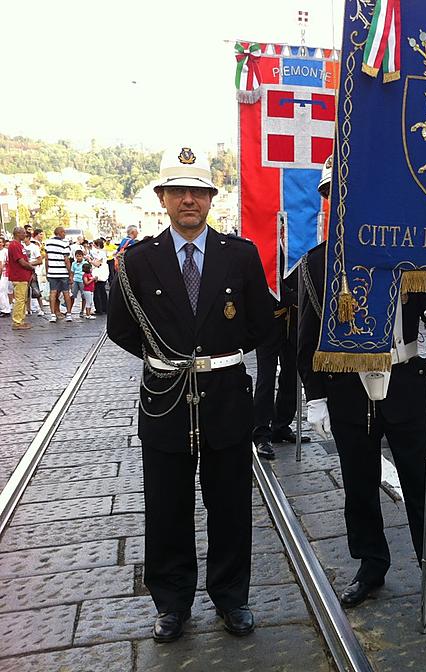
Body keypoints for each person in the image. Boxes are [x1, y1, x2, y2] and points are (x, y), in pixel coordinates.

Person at [297, 160, 426, 620]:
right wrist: (315, 396)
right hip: (347, 388)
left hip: (405, 380)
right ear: (329, 202)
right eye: (336, 194)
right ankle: (371, 564)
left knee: (425, 486)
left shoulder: (409, 254)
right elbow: (305, 338)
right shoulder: (317, 263)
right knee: (359, 485)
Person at [107, 146, 271, 642]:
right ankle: (172, 603)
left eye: (197, 191)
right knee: (167, 507)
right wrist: (169, 362)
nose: (188, 200)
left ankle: (231, 597)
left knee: (230, 505)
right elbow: (121, 328)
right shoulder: (137, 261)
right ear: (162, 198)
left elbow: (260, 324)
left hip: (224, 398)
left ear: (211, 199)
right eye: (178, 191)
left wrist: (216, 355)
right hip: (166, 401)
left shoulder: (239, 256)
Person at [252, 224, 300, 461]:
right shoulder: (261, 249)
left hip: (292, 320)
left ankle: (282, 425)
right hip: (269, 321)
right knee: (266, 377)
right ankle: (261, 433)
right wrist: (296, 296)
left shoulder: (297, 247)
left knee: (291, 373)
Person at [7, 226, 40, 330]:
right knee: (20, 300)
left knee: (23, 299)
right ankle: (17, 322)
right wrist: (31, 267)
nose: (25, 235)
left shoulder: (19, 245)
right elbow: (21, 262)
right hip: (19, 276)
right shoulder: (14, 245)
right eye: (23, 233)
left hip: (23, 276)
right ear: (18, 234)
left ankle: (21, 320)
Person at [44, 226, 75, 323]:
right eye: (64, 232)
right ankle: (69, 314)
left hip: (52, 272)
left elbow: (46, 258)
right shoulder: (64, 244)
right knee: (66, 293)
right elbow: (66, 260)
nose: (64, 234)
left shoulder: (48, 243)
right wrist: (70, 274)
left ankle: (53, 315)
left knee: (53, 293)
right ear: (60, 233)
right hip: (62, 272)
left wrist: (47, 271)